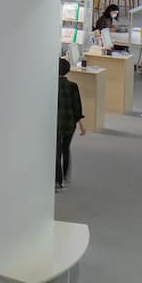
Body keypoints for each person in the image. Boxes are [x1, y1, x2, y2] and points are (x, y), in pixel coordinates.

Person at [56, 58, 86, 191]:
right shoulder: (73, 86)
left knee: (56, 152)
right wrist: (81, 124)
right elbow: (77, 107)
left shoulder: (51, 85)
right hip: (70, 123)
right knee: (65, 148)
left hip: (56, 123)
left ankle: (58, 181)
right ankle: (66, 175)